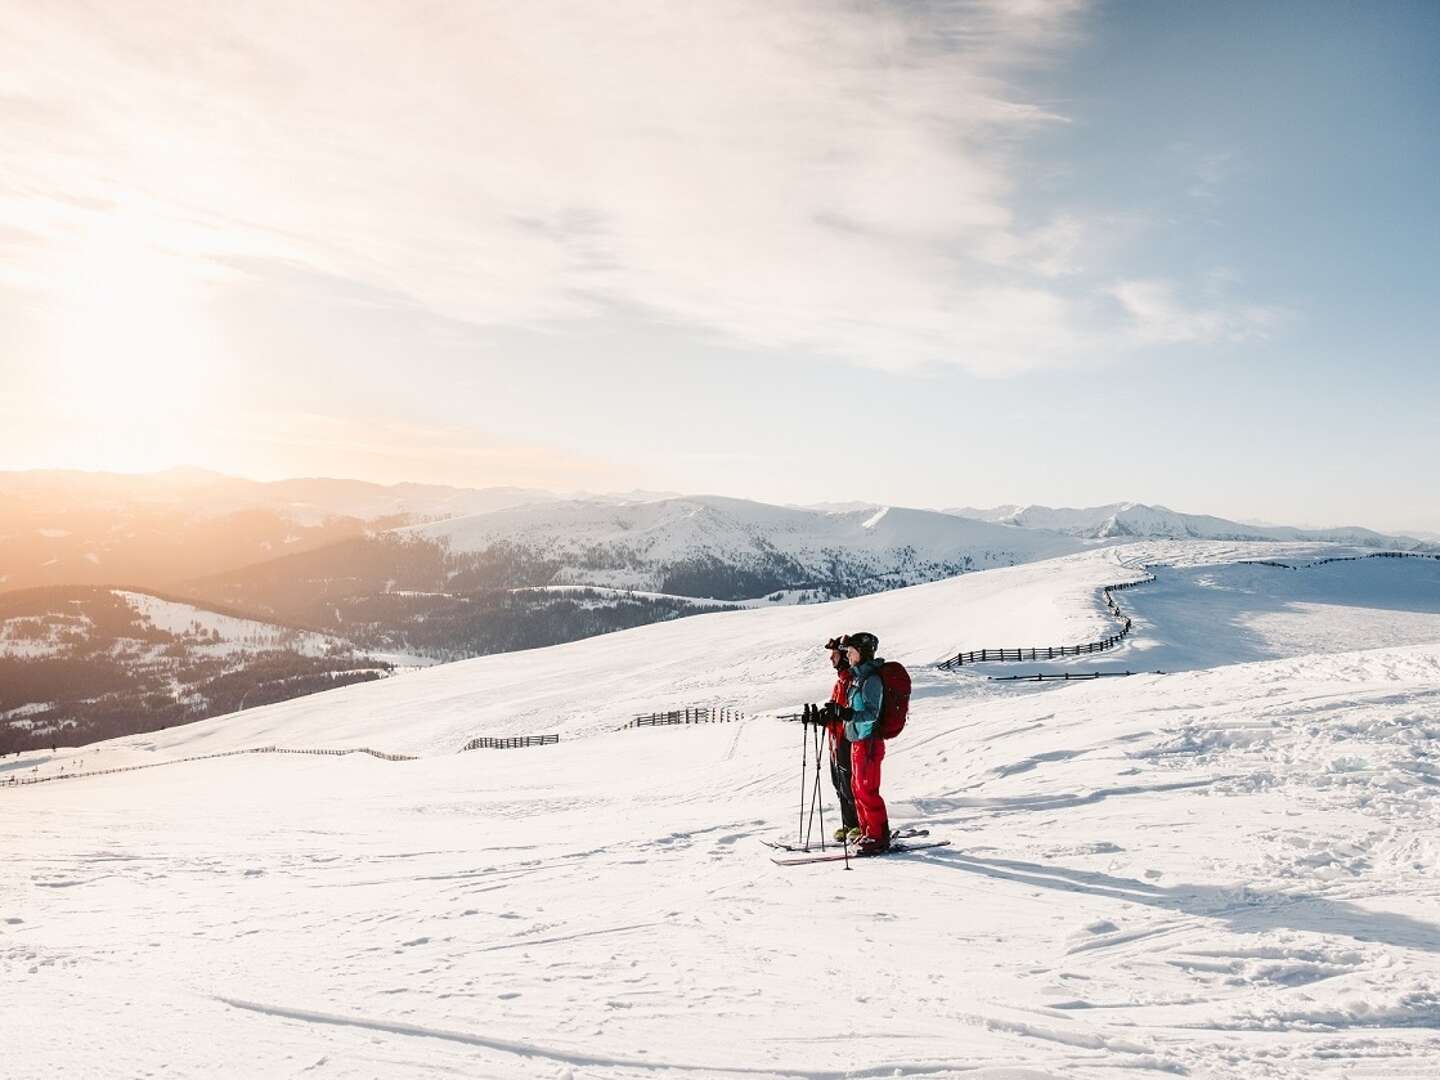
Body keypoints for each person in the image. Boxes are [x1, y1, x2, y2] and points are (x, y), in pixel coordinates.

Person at [839, 631, 889, 853]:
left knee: (867, 788)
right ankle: (867, 831)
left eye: (851, 651)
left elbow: (872, 712)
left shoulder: (872, 680)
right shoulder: (857, 678)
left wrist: (849, 715)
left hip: (868, 741)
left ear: (863, 652)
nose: (848, 656)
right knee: (856, 788)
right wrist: (840, 713)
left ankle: (878, 836)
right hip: (857, 739)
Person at [821, 636, 860, 844]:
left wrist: (835, 715)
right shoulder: (841, 681)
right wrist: (823, 717)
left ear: (844, 657)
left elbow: (848, 713)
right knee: (838, 782)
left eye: (834, 655)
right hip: (835, 740)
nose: (831, 659)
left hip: (846, 739)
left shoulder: (851, 681)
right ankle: (849, 823)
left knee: (849, 782)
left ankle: (858, 824)